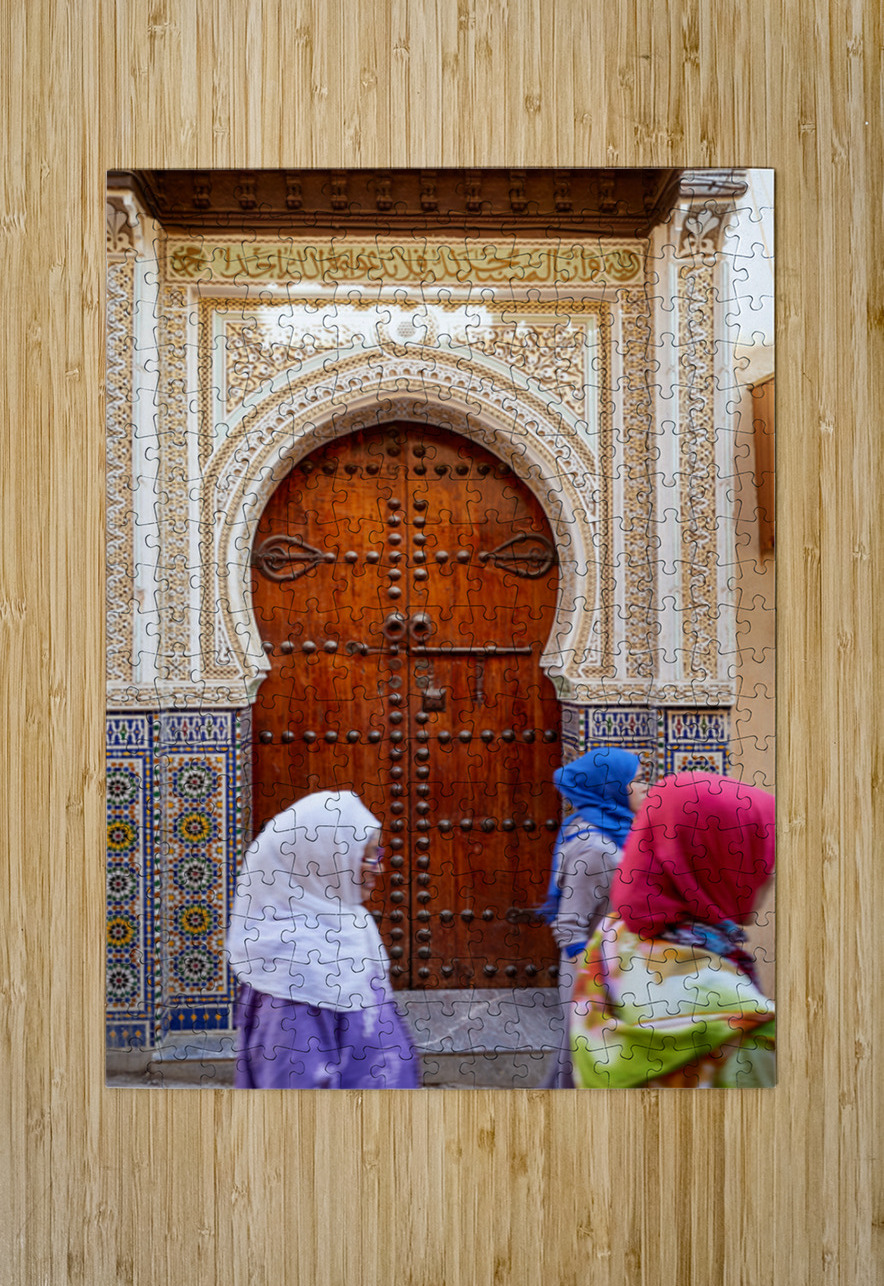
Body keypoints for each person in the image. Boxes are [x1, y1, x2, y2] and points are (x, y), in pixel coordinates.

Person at [570, 771, 776, 1088]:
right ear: (713, 857)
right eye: (757, 851)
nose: (770, 871)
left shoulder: (610, 939)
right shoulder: (746, 1024)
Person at [226, 789, 420, 1088]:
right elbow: (293, 1096)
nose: (378, 867)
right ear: (319, 858)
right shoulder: (291, 969)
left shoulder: (353, 928)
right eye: (366, 855)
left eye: (377, 854)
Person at [540, 746, 647, 1088]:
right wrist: (594, 980)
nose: (646, 787)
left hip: (613, 967)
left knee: (579, 1066)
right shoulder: (594, 845)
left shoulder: (615, 828)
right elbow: (570, 925)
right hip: (592, 973)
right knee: (584, 1066)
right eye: (638, 781)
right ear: (611, 786)